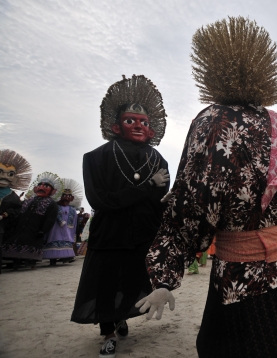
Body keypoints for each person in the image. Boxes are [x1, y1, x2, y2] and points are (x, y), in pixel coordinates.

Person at [136, 17, 277, 358]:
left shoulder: (214, 121)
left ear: (210, 72)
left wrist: (166, 275)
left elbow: (194, 201)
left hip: (241, 278)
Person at [70, 74, 170, 358]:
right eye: (130, 120)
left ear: (151, 131)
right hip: (109, 233)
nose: (138, 125)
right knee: (105, 282)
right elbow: (99, 200)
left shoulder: (158, 160)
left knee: (133, 281)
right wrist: (147, 187)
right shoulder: (96, 158)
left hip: (143, 234)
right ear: (115, 126)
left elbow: (161, 203)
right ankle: (108, 332)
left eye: (144, 122)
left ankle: (122, 315)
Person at [3, 172, 61, 270]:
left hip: (36, 228)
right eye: (40, 185)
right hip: (22, 226)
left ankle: (31, 261)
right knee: (17, 242)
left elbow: (50, 219)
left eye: (46, 186)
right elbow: (19, 213)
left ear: (53, 191)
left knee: (32, 244)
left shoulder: (52, 204)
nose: (42, 187)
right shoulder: (29, 200)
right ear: (35, 188)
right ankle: (16, 261)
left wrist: (44, 230)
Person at [0, 149, 32, 274]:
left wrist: (5, 215)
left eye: (10, 174)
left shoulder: (12, 196)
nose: (4, 176)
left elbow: (17, 211)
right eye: (1, 172)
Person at [42, 178, 83, 265]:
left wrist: (74, 231)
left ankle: (65, 257)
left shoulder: (72, 209)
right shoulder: (55, 206)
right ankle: (52, 259)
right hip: (56, 228)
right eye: (64, 195)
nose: (66, 198)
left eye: (68, 196)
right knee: (54, 240)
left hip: (68, 230)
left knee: (66, 242)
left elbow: (75, 222)